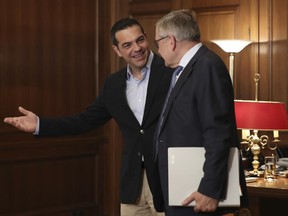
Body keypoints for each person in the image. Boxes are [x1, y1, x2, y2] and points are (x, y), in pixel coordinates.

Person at [4, 18, 173, 216]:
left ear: (147, 39)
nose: (136, 48)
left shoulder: (171, 71)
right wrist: (40, 124)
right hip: (132, 182)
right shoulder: (113, 84)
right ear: (117, 51)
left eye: (140, 40)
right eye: (127, 45)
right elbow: (85, 120)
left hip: (167, 176)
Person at [152, 9, 248, 216]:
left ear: (171, 40)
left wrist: (209, 189)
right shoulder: (181, 70)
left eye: (157, 42)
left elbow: (217, 132)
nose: (157, 50)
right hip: (183, 189)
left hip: (200, 194)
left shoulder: (207, 66)